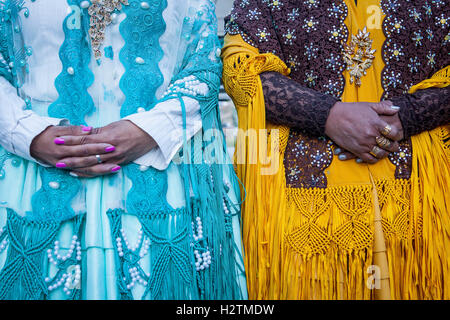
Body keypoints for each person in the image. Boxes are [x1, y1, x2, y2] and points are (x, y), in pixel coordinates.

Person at [0, 0, 247, 300]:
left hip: (159, 172)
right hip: (29, 179)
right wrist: (28, 135)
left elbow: (202, 65)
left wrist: (150, 130)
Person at [222, 0, 449, 300]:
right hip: (304, 221)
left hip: (421, 216)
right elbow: (241, 72)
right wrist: (328, 115)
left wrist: (409, 115)